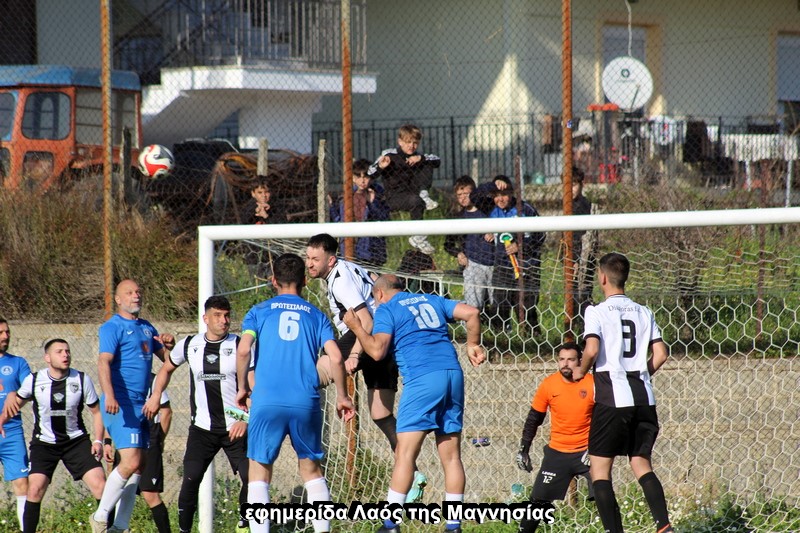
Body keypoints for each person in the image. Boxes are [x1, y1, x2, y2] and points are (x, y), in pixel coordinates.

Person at [343, 274, 487, 533]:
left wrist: (356, 327)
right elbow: (472, 313)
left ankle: (390, 524)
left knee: (405, 454)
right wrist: (473, 344)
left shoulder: (387, 309)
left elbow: (377, 351)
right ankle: (453, 526)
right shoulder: (432, 300)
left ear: (379, 294)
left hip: (423, 380)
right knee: (452, 457)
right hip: (452, 375)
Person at [234, 253, 355, 533]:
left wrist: (242, 388)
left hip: (267, 400)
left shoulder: (259, 311)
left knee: (259, 472)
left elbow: (243, 350)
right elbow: (337, 357)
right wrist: (342, 396)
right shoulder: (317, 316)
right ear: (304, 281)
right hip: (304, 400)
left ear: (273, 280)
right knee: (311, 471)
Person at [572, 253, 674, 533]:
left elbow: (592, 349)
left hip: (612, 398)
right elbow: (661, 354)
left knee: (600, 469)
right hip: (644, 397)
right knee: (641, 463)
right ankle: (664, 526)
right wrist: (641, 376)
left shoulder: (596, 311)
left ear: (603, 277)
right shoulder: (644, 311)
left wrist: (581, 370)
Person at [143, 295, 250, 533]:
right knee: (190, 479)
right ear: (205, 319)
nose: (224, 320)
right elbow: (166, 369)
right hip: (202, 429)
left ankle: (244, 523)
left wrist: (245, 419)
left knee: (251, 478)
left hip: (235, 426)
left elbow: (255, 386)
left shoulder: (240, 345)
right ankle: (184, 530)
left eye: (227, 315)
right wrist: (155, 395)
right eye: (217, 315)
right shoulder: (190, 344)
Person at [90, 279, 175, 533]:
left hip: (143, 405)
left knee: (139, 465)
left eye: (138, 291)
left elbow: (168, 362)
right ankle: (100, 516)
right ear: (118, 299)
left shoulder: (147, 327)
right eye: (129, 293)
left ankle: (120, 527)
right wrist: (110, 395)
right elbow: (103, 362)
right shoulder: (112, 327)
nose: (135, 295)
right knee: (130, 461)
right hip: (121, 402)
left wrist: (170, 347)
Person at [0, 339, 106, 533]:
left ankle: (107, 527)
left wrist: (99, 440)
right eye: (59, 351)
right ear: (47, 358)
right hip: (44, 444)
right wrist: (3, 416)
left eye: (67, 351)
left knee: (101, 485)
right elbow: (15, 403)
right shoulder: (34, 380)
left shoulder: (81, 379)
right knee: (34, 489)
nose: (65, 355)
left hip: (76, 442)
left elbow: (97, 412)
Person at [514, 342, 595, 533]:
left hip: (587, 452)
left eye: (571, 359)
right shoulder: (549, 384)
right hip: (558, 453)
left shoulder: (592, 383)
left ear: (581, 361)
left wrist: (595, 448)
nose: (565, 364)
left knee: (603, 494)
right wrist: (523, 449)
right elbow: (534, 419)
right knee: (538, 502)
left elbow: (605, 419)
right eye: (562, 359)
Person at [107, 372, 172, 533]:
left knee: (150, 493)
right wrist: (107, 442)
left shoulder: (153, 380)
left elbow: (166, 411)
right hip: (126, 439)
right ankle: (108, 528)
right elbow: (110, 413)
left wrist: (159, 439)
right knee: (116, 490)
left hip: (148, 439)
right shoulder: (117, 380)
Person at [368, 123, 441, 255]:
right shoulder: (389, 154)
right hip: (394, 197)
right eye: (408, 142)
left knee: (426, 162)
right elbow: (370, 173)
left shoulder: (417, 155)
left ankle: (424, 194)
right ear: (400, 141)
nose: (411, 146)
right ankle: (418, 236)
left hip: (415, 193)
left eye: (415, 143)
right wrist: (381, 166)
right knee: (416, 201)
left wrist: (421, 158)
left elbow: (437, 160)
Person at [487, 175, 546, 334]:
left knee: (527, 305)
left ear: (512, 193)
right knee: (500, 303)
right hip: (502, 267)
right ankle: (501, 337)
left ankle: (532, 337)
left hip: (527, 266)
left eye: (504, 194)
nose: (500, 199)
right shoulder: (491, 211)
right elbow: (475, 196)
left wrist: (520, 247)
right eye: (496, 195)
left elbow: (541, 235)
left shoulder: (526, 210)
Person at [444, 176, 495, 312]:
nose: (462, 198)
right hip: (472, 264)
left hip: (494, 263)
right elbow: (448, 244)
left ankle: (498, 324)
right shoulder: (458, 217)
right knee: (474, 305)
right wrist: (459, 253)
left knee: (496, 304)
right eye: (459, 195)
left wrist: (494, 233)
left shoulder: (487, 209)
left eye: (466, 194)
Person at [330, 158, 390, 266]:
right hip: (351, 247)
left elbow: (384, 218)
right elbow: (339, 220)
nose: (362, 181)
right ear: (353, 178)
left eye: (366, 177)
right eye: (358, 177)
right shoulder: (347, 195)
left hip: (373, 248)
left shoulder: (378, 193)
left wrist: (372, 203)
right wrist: (331, 207)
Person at [0, 317, 30, 531]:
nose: (6, 336)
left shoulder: (18, 363)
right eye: (1, 333)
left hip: (11, 432)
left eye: (7, 332)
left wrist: (15, 394)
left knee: (22, 484)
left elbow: (29, 390)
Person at [569, 167, 597, 319]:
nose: (570, 189)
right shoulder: (567, 205)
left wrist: (575, 260)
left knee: (582, 293)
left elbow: (580, 236)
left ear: (581, 185)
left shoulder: (583, 206)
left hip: (581, 258)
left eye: (574, 185)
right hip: (569, 257)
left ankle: (583, 323)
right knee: (570, 294)